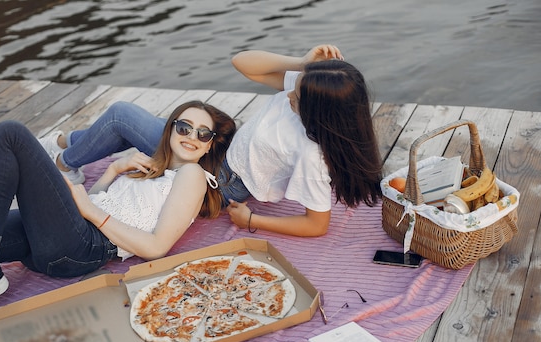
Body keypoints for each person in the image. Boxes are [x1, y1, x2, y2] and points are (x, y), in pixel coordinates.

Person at [34, 44, 382, 237]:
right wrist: (301, 62)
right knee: (128, 121)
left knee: (122, 115)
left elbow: (317, 224)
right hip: (221, 149)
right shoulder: (306, 94)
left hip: (221, 183)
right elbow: (242, 61)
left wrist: (252, 221)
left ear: (320, 112)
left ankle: (66, 160)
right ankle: (70, 143)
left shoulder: (311, 153)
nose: (290, 92)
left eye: (298, 94)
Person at [0, 101, 236, 310]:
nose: (192, 137)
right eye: (184, 127)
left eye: (203, 133)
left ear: (210, 145)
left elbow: (157, 246)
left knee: (10, 135)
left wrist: (91, 211)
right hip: (61, 236)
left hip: (82, 248)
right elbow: (93, 203)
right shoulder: (153, 168)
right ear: (170, 130)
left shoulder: (194, 175)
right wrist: (113, 170)